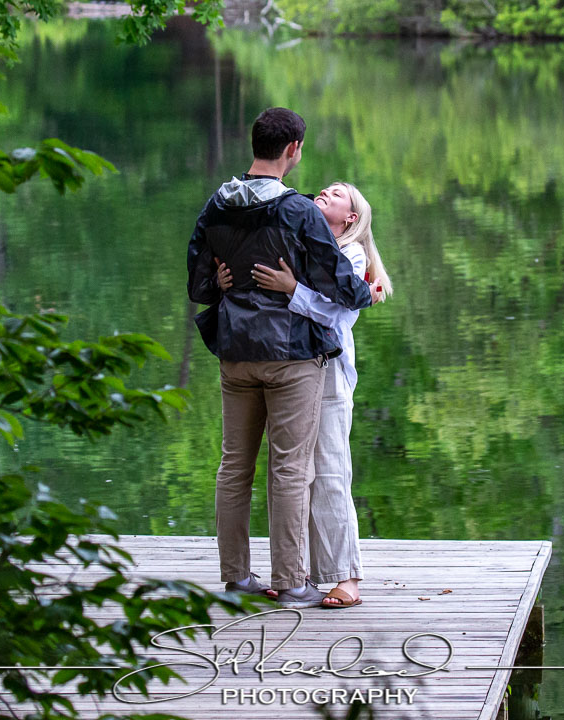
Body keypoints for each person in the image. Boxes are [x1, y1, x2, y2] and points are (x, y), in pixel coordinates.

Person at [187, 108, 372, 608]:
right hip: (289, 356)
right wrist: (367, 293)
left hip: (235, 355)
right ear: (293, 150)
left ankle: (236, 577)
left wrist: (223, 286)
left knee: (233, 467)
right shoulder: (298, 210)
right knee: (291, 469)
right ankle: (292, 582)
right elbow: (344, 287)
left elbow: (198, 283)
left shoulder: (217, 205)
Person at [246, 182, 391, 609]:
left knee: (329, 473)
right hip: (290, 369)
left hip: (328, 374)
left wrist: (292, 289)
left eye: (339, 193)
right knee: (292, 474)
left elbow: (333, 313)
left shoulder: (352, 255)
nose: (326, 191)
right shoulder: (301, 241)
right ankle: (296, 573)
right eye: (325, 188)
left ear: (351, 217)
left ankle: (346, 576)